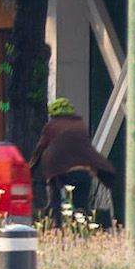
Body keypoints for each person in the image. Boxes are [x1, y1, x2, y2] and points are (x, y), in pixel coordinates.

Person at [35, 96, 118, 226]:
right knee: (81, 204)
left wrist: (30, 169)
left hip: (60, 171)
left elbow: (40, 150)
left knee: (56, 199)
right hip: (83, 172)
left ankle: (58, 226)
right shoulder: (80, 125)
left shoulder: (51, 127)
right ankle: (82, 227)